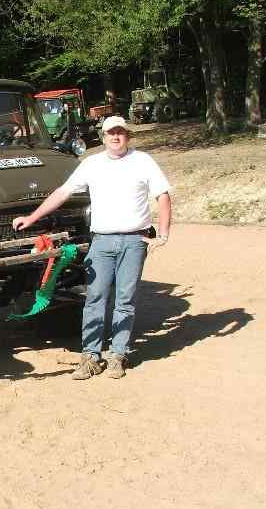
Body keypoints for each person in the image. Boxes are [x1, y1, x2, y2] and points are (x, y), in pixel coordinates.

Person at [12, 115, 171, 379]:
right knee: (95, 297)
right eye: (111, 133)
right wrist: (32, 217)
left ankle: (118, 355)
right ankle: (90, 357)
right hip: (101, 241)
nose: (116, 137)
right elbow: (63, 192)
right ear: (103, 136)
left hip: (135, 240)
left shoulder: (143, 161)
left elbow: (162, 195)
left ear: (127, 136)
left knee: (125, 299)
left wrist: (163, 234)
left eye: (120, 132)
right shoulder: (92, 164)